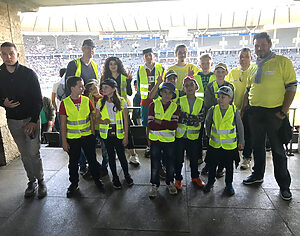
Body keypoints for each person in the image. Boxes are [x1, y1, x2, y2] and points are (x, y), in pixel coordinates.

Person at [241, 32, 297, 201]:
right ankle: (257, 175)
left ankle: (284, 186)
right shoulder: (252, 66)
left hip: (275, 113)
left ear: (270, 44)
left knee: (278, 151)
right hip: (255, 114)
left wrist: (283, 111)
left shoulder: (282, 62)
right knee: (257, 147)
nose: (259, 48)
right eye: (256, 45)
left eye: (262, 45)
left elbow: (291, 87)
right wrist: (244, 109)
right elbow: (248, 90)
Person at [0, 42, 47, 199]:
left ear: (17, 54)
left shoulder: (28, 74)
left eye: (11, 53)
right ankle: (31, 181)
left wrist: (34, 121)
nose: (8, 57)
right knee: (24, 154)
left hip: (30, 119)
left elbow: (38, 100)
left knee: (34, 153)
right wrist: (3, 102)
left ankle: (41, 181)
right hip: (13, 121)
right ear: (1, 55)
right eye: (4, 54)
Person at [59, 76, 104, 198]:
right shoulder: (65, 103)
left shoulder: (86, 100)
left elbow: (91, 116)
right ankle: (74, 184)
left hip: (88, 136)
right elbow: (63, 124)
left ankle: (97, 180)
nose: (83, 88)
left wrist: (93, 131)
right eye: (80, 86)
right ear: (72, 88)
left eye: (83, 85)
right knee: (73, 162)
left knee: (92, 159)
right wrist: (64, 141)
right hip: (73, 138)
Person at [65, 39, 99, 173]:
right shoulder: (74, 64)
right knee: (78, 136)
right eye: (86, 48)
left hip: (89, 104)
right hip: (78, 104)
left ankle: (90, 163)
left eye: (92, 48)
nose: (89, 51)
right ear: (82, 49)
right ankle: (82, 165)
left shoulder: (95, 65)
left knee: (88, 135)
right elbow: (70, 85)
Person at [203, 86, 244, 196]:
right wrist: (208, 134)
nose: (220, 99)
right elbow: (207, 123)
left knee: (229, 166)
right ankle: (210, 182)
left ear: (230, 99)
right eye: (219, 97)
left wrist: (241, 141)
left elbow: (240, 127)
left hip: (229, 146)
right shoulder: (213, 109)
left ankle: (229, 184)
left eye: (223, 97)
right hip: (215, 145)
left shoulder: (234, 111)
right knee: (212, 165)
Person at [101, 56, 140, 166]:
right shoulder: (105, 78)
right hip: (109, 109)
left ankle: (133, 154)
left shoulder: (124, 77)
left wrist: (129, 81)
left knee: (127, 130)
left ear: (118, 65)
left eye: (115, 64)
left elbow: (129, 93)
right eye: (111, 64)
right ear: (108, 66)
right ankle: (117, 151)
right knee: (112, 130)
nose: (113, 66)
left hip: (122, 108)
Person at [95, 79, 134, 189]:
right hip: (107, 135)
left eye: (106, 87)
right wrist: (103, 121)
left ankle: (127, 175)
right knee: (111, 157)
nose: (103, 89)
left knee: (122, 156)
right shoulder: (100, 102)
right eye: (102, 87)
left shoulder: (122, 102)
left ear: (113, 88)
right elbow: (96, 119)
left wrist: (126, 137)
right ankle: (115, 178)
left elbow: (126, 121)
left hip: (119, 134)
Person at [201, 63, 234, 176]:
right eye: (218, 71)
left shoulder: (230, 86)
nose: (220, 74)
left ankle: (221, 167)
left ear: (226, 73)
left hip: (225, 120)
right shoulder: (210, 86)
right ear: (214, 73)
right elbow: (208, 103)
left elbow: (231, 102)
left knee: (224, 147)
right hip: (214, 118)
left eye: (222, 71)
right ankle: (208, 164)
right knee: (212, 145)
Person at [148, 82, 180, 199]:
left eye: (169, 93)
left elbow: (174, 125)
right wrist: (165, 124)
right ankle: (154, 185)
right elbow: (151, 124)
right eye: (164, 92)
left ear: (172, 95)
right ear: (160, 93)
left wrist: (159, 121)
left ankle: (170, 182)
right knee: (155, 164)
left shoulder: (175, 107)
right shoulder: (153, 104)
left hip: (169, 141)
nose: (167, 95)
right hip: (155, 140)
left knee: (170, 163)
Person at [174, 76, 206, 190]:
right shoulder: (180, 100)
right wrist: (193, 119)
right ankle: (178, 178)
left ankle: (195, 177)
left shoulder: (201, 102)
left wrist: (187, 117)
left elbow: (201, 118)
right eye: (186, 85)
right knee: (178, 159)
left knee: (194, 158)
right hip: (180, 136)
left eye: (191, 85)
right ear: (183, 88)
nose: (189, 87)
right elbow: (178, 116)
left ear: (196, 87)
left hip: (193, 136)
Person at [226, 48, 253, 170]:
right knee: (231, 133)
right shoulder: (232, 72)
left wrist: (243, 109)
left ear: (250, 58)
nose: (243, 59)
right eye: (241, 56)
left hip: (248, 110)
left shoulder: (254, 71)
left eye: (246, 56)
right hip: (233, 109)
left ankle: (246, 158)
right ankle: (227, 159)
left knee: (248, 134)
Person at [136, 48, 164, 158]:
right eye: (146, 55)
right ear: (143, 57)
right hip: (145, 102)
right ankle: (149, 145)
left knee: (159, 122)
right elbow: (139, 87)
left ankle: (160, 144)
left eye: (150, 55)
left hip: (159, 100)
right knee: (147, 124)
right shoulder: (140, 69)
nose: (148, 57)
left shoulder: (161, 68)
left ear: (154, 56)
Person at [84, 80, 109, 176]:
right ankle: (92, 166)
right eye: (91, 89)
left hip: (103, 127)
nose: (94, 90)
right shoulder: (87, 99)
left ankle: (104, 167)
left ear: (98, 86)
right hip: (92, 127)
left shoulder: (105, 98)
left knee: (104, 149)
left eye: (94, 87)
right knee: (90, 150)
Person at [51, 68, 66, 134]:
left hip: (59, 110)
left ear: (60, 75)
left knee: (61, 129)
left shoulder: (56, 84)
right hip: (68, 109)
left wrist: (56, 108)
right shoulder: (69, 84)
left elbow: (53, 100)